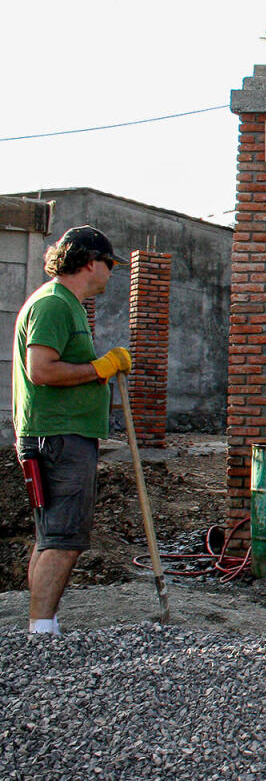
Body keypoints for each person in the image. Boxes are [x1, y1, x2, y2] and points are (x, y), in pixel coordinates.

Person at [11, 225, 130, 635]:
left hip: (57, 433)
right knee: (63, 538)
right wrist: (97, 370)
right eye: (109, 265)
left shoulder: (68, 305)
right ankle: (41, 632)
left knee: (52, 537)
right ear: (90, 262)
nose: (111, 274)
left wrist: (101, 370)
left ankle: (44, 624)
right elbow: (40, 369)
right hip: (57, 437)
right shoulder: (53, 305)